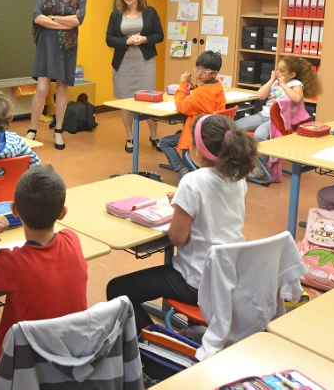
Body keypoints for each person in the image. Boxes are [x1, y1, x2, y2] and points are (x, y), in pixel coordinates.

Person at [107, 115, 258, 332]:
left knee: (117, 289)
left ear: (198, 150)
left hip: (196, 281)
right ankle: (194, 331)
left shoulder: (192, 181)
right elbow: (217, 204)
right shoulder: (237, 176)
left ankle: (152, 339)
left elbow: (177, 238)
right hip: (230, 275)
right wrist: (183, 200)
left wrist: (182, 204)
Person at [0, 166, 88, 375]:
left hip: (27, 360)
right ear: (62, 213)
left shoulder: (11, 263)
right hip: (71, 353)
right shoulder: (72, 240)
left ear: (14, 209)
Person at [27, 0, 87, 151]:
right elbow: (37, 17)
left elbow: (78, 20)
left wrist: (51, 18)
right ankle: (32, 130)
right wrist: (63, 23)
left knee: (62, 89)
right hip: (45, 43)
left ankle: (59, 131)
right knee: (42, 88)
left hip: (67, 46)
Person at [106, 0, 165, 153]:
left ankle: (154, 136)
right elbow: (109, 39)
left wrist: (145, 39)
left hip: (144, 64)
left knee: (149, 100)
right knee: (126, 101)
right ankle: (130, 137)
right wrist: (126, 41)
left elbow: (159, 35)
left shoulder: (150, 12)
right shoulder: (116, 14)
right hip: (123, 64)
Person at [158, 50, 225, 176]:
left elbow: (181, 106)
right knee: (179, 133)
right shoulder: (218, 85)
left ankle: (181, 169)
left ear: (214, 73)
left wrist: (183, 84)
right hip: (213, 132)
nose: (199, 73)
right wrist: (194, 88)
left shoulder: (200, 93)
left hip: (200, 134)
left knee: (164, 142)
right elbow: (205, 95)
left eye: (204, 71)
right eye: (197, 69)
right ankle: (186, 164)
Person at [236, 57, 322, 142]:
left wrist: (283, 85)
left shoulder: (295, 84)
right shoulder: (276, 82)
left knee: (259, 135)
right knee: (234, 126)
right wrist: (272, 80)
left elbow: (298, 98)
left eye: (281, 71)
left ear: (292, 74)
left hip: (277, 120)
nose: (277, 72)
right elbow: (260, 96)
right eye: (277, 69)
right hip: (264, 115)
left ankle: (262, 152)